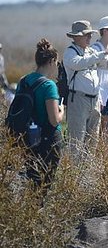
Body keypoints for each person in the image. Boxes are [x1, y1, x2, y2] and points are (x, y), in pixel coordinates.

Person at [63, 20, 108, 148]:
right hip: (78, 99)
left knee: (92, 142)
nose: (90, 37)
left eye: (90, 34)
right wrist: (105, 53)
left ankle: (87, 168)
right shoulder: (70, 52)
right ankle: (74, 167)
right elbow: (78, 63)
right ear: (77, 37)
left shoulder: (90, 52)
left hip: (95, 100)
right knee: (76, 141)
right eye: (87, 35)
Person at [21, 39, 65, 189]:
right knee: (43, 185)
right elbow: (54, 120)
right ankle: (37, 210)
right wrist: (62, 112)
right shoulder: (49, 85)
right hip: (48, 141)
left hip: (27, 138)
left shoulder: (24, 81)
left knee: (31, 181)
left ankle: (30, 210)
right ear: (52, 61)